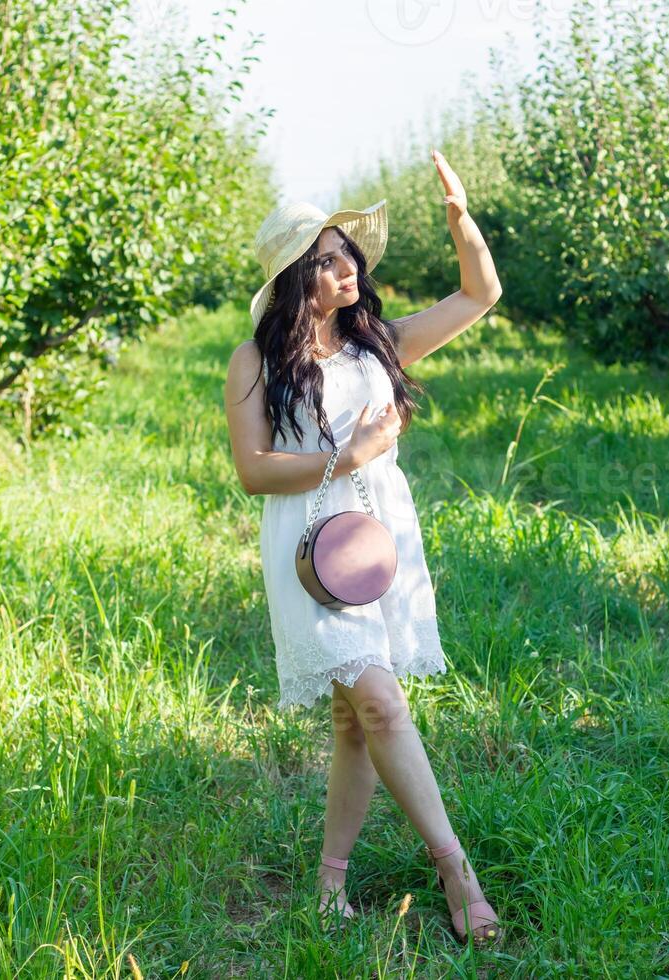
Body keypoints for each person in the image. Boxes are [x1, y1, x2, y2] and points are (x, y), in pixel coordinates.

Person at [224, 148, 504, 944]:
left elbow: (479, 294)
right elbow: (253, 472)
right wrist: (345, 456)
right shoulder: (254, 363)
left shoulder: (377, 343)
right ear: (291, 282)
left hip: (380, 542)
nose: (344, 265)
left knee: (355, 722)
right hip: (309, 550)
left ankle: (329, 881)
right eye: (323, 259)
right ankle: (456, 870)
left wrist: (459, 219)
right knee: (380, 703)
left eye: (345, 251)